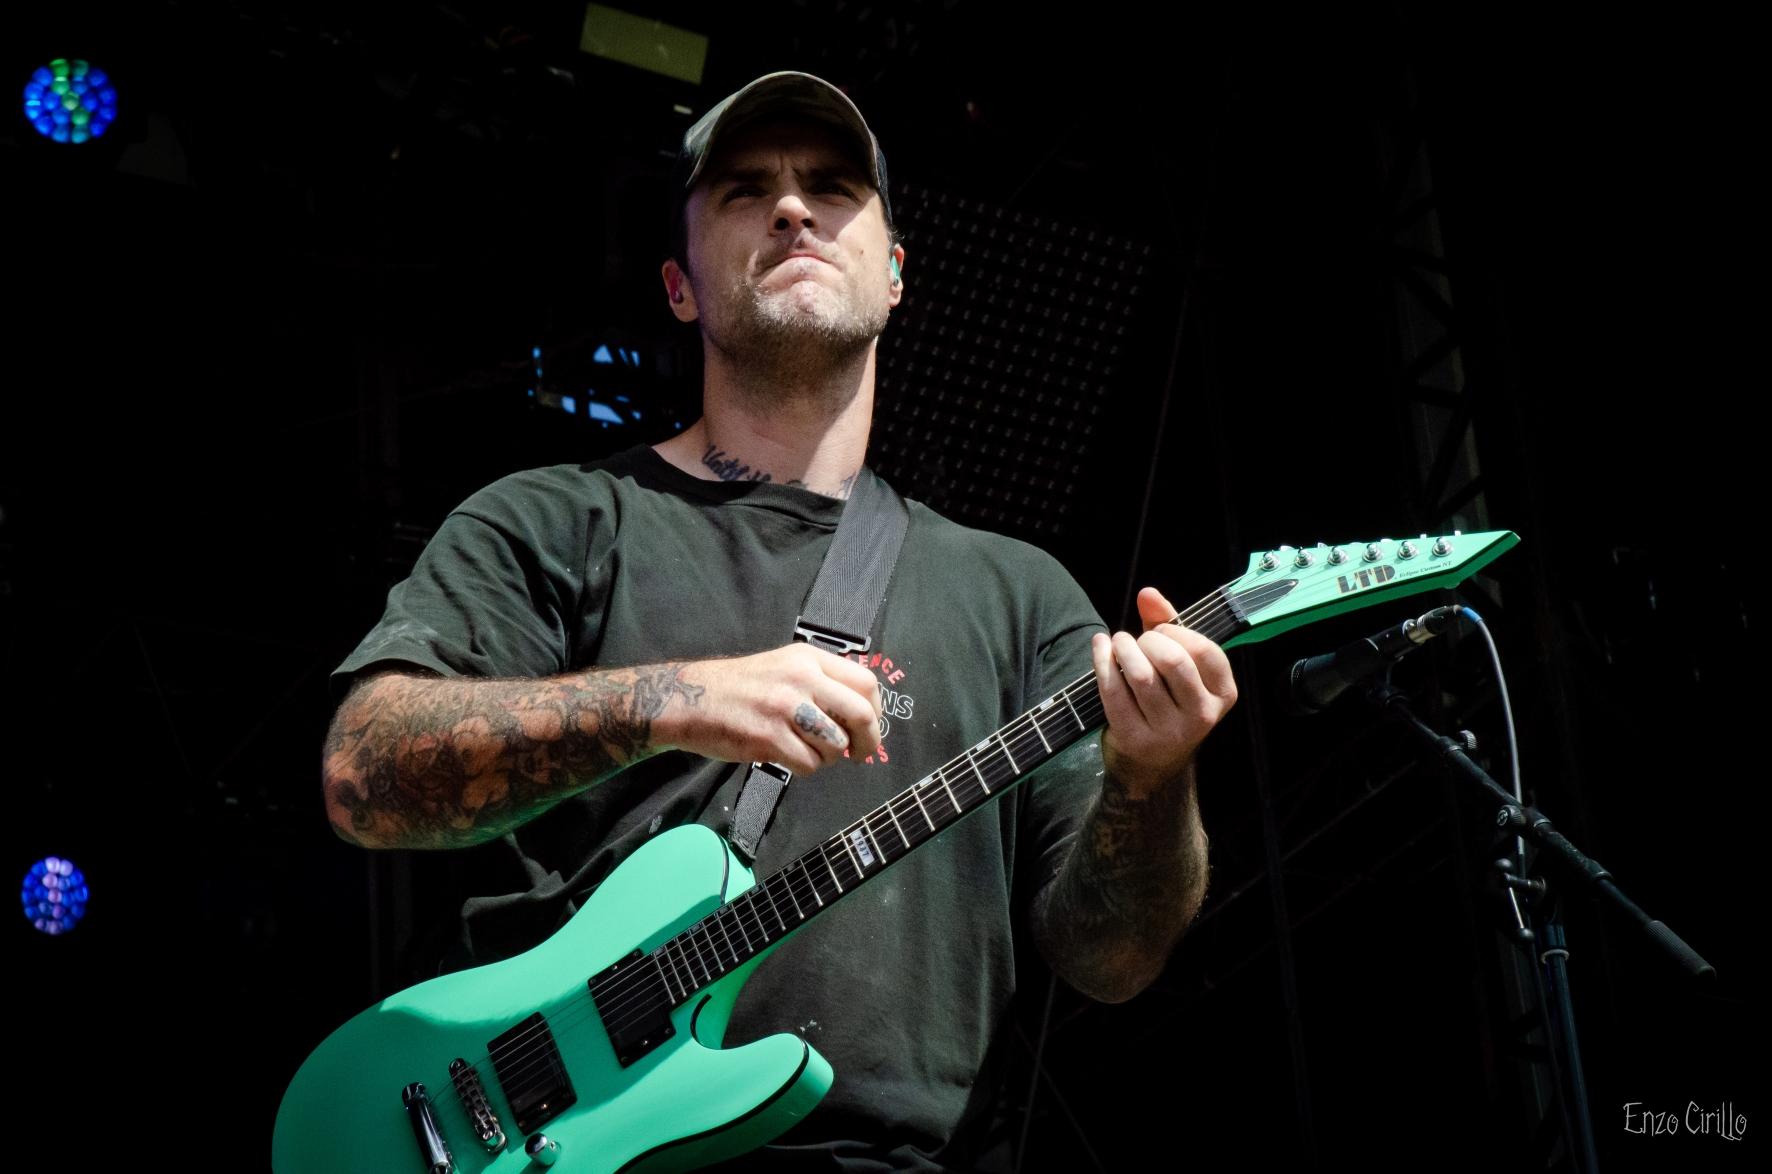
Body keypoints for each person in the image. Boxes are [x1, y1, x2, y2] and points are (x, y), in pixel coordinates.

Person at [322, 71, 1236, 1170]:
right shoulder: (557, 520)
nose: (794, 209)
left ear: (894, 274)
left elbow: (1111, 958)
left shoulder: (1022, 596)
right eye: (746, 190)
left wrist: (1153, 778)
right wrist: (678, 700)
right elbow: (364, 776)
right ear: (679, 286)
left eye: (833, 186)